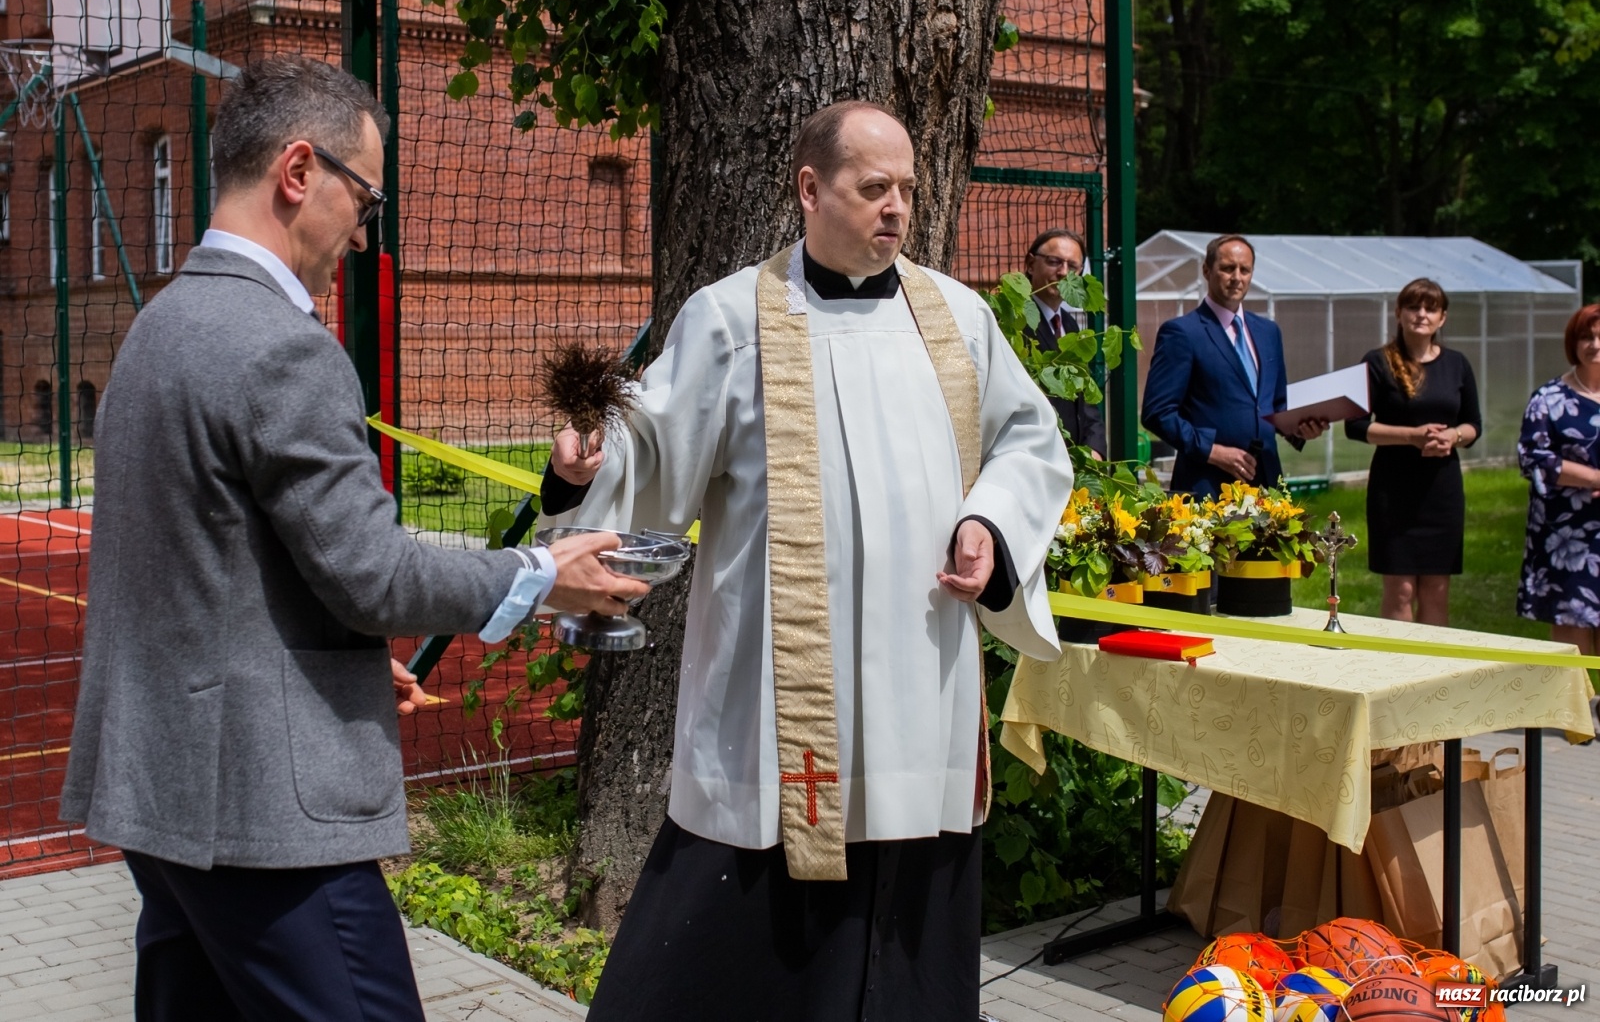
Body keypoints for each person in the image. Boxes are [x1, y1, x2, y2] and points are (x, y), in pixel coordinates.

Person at [56, 55, 648, 1021]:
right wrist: (544, 574)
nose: (364, 235)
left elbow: (211, 566)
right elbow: (370, 573)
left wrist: (337, 664)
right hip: (262, 814)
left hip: (163, 795)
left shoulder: (158, 328)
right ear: (300, 172)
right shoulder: (282, 345)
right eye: (364, 200)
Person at [539, 101, 1071, 1021]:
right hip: (779, 697)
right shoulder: (732, 318)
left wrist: (988, 522)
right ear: (809, 189)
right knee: (735, 913)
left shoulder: (959, 318)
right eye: (874, 188)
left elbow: (1030, 442)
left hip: (922, 678)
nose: (898, 207)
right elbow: (653, 452)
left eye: (907, 186)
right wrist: (589, 463)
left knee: (910, 893)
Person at [1140, 234, 1326, 497]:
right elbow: (1157, 413)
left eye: (1245, 269)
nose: (1237, 277)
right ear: (1207, 270)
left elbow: (1276, 404)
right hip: (1207, 483)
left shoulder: (1268, 332)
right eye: (1228, 268)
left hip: (1267, 480)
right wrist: (1213, 451)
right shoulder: (1183, 333)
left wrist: (1300, 429)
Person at [1345, 279, 1481, 625]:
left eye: (1430, 308)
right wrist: (1411, 436)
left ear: (1442, 318)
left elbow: (1473, 425)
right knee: (1400, 589)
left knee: (1437, 588)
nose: (1421, 315)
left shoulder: (1457, 364)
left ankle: (1435, 672)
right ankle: (1398, 669)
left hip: (1442, 490)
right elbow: (1356, 426)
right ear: (1398, 313)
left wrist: (1452, 436)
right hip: (1393, 490)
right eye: (1413, 307)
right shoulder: (1377, 362)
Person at [1518, 303, 1600, 729]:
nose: (1595, 345)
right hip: (1567, 530)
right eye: (1587, 336)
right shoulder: (1549, 398)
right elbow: (1533, 457)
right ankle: (1576, 714)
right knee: (1572, 616)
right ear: (1574, 343)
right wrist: (1592, 477)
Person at [1024, 227, 1107, 458]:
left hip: (1073, 463)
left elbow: (1084, 400)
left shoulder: (1069, 325)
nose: (1063, 272)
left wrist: (1095, 448)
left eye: (1073, 267)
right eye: (1054, 262)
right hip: (1035, 458)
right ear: (1031, 264)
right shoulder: (1013, 320)